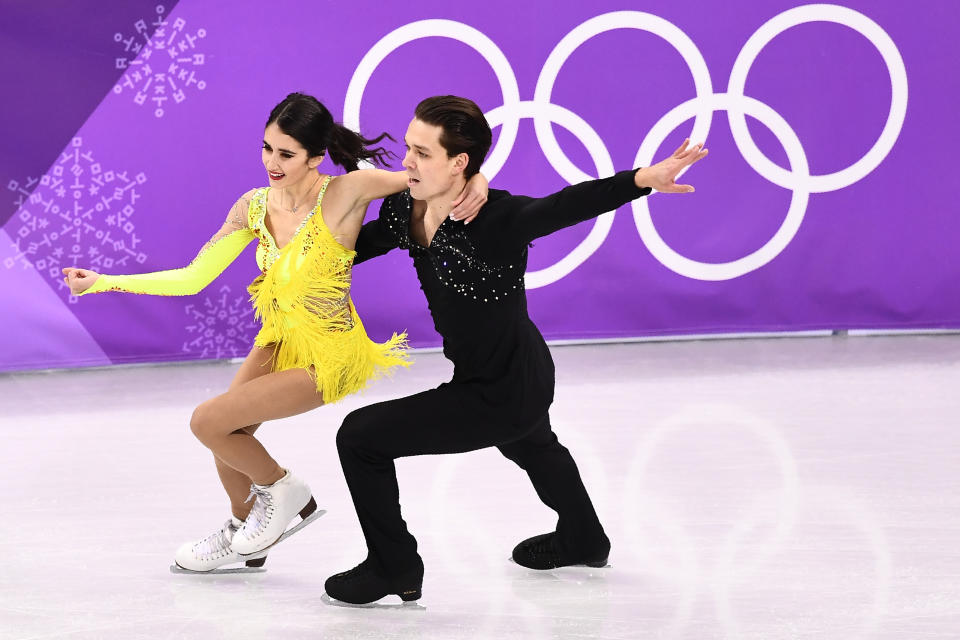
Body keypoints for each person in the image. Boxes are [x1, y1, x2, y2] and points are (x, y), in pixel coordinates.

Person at [61, 92, 489, 574]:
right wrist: (106, 281)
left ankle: (287, 492)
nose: (272, 162)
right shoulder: (253, 207)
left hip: (330, 353)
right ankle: (247, 530)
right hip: (279, 338)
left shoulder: (348, 192)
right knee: (227, 432)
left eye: (286, 153)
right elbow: (192, 276)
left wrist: (477, 178)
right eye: (267, 148)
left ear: (315, 155)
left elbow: (425, 177)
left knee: (207, 421)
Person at [323, 95, 708, 605]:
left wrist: (641, 179)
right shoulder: (404, 210)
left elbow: (566, 204)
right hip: (514, 370)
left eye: (421, 152)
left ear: (458, 162)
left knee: (361, 437)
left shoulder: (498, 220)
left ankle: (394, 566)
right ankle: (584, 537)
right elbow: (348, 250)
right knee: (530, 442)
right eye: (409, 148)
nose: (407, 162)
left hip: (500, 389)